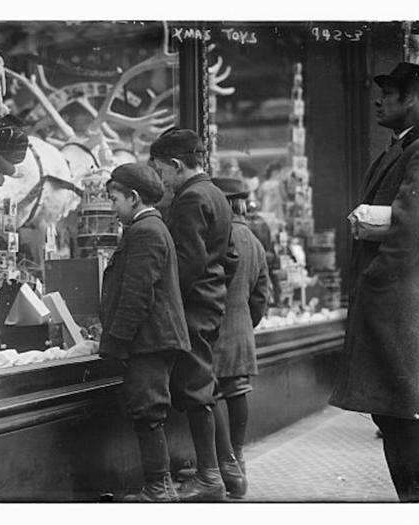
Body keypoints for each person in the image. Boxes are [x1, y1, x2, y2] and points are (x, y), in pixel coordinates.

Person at [329, 62, 419, 502]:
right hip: (391, 303)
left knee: (402, 414)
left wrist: (373, 280)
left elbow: (409, 231)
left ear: (417, 98)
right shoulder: (403, 148)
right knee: (394, 413)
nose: (378, 100)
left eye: (389, 93)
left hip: (396, 305)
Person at [148, 129, 239, 501]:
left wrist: (161, 304)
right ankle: (228, 469)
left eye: (159, 170)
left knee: (195, 388)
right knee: (207, 385)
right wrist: (214, 290)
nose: (159, 179)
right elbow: (229, 257)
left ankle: (209, 477)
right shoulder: (216, 194)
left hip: (191, 308)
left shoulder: (190, 198)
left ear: (175, 164)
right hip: (210, 303)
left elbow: (184, 265)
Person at [99, 163, 191, 502]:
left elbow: (137, 293)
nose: (112, 207)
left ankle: (159, 489)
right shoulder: (151, 228)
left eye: (114, 199)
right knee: (148, 410)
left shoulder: (145, 231)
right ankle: (160, 486)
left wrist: (115, 342)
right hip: (153, 338)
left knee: (148, 411)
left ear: (134, 197)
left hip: (149, 342)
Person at [210, 177, 270, 498]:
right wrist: (247, 321)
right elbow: (261, 296)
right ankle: (238, 457)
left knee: (211, 394)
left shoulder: (217, 235)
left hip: (214, 329)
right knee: (237, 392)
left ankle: (225, 463)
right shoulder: (254, 240)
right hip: (241, 328)